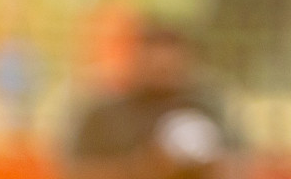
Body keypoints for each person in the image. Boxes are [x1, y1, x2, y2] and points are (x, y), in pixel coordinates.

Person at [63, 19, 240, 179]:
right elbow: (74, 171)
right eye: (155, 62)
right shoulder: (104, 114)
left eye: (169, 66)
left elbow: (240, 166)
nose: (163, 69)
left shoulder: (208, 108)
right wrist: (142, 168)